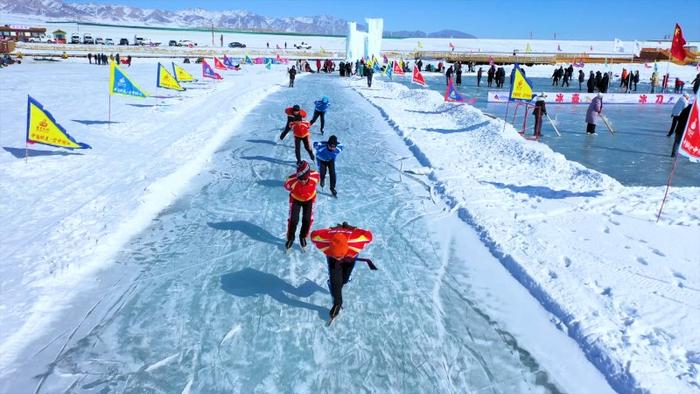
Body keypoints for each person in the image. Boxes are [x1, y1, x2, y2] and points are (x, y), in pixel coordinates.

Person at [310, 222, 375, 320]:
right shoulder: (325, 239)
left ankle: (342, 280)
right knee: (336, 280)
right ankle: (337, 302)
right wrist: (330, 230)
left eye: (339, 256)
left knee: (344, 280)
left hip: (350, 257)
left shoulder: (356, 240)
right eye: (336, 256)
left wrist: (353, 228)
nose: (338, 258)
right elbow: (313, 235)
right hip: (333, 257)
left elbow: (369, 236)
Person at [284, 161, 320, 250]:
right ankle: (290, 238)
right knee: (293, 220)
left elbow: (317, 182)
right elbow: (287, 187)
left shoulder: (315, 176)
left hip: (310, 200)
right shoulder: (291, 181)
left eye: (305, 179)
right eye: (300, 179)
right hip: (296, 200)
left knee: (308, 220)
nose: (303, 181)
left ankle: (303, 236)